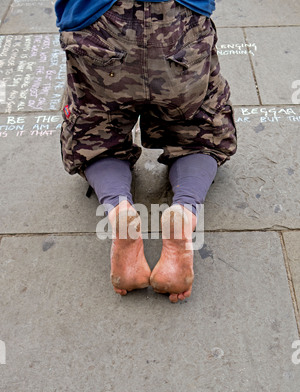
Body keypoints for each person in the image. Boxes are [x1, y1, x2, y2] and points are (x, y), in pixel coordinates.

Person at [55, 0, 237, 303]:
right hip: (178, 20)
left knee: (96, 135)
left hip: (100, 23)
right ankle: (184, 210)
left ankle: (118, 208)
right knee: (198, 131)